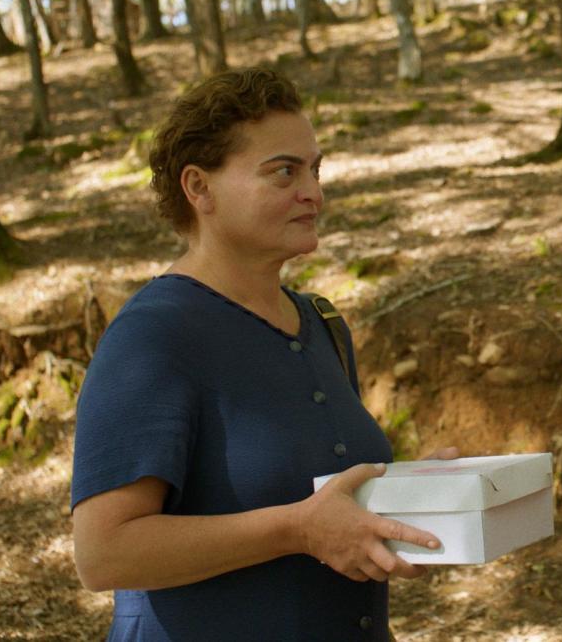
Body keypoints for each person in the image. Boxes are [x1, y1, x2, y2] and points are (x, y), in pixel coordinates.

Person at [71, 67, 454, 641]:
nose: (314, 193)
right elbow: (103, 554)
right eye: (283, 172)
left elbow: (320, 498)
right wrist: (296, 530)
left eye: (315, 169)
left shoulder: (321, 324)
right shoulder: (154, 336)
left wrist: (404, 496)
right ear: (198, 188)